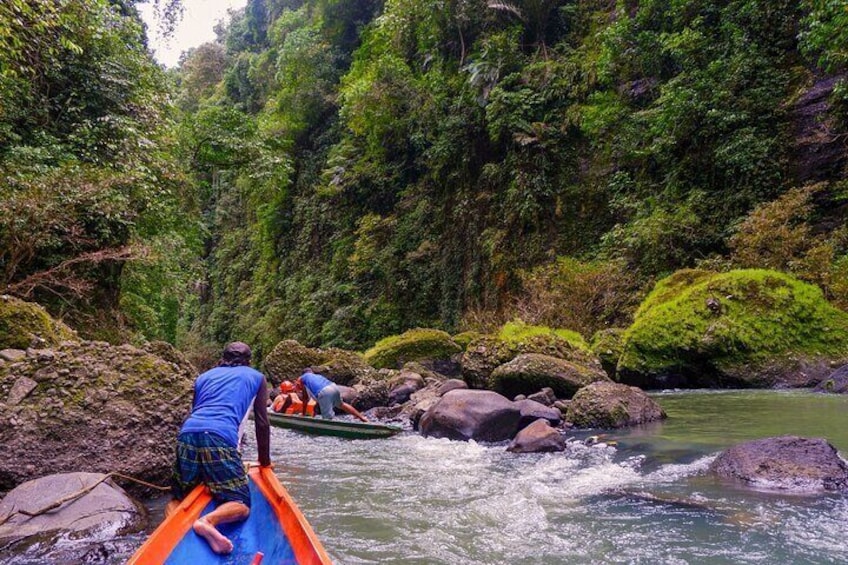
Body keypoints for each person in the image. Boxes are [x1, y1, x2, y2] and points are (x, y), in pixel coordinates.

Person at [166, 342, 271, 555]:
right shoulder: (256, 377)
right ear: (248, 361)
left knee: (177, 497)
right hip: (220, 437)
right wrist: (265, 462)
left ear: (221, 359)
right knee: (240, 503)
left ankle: (172, 532)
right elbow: (262, 423)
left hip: (188, 434)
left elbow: (197, 410)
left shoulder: (203, 377)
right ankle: (207, 521)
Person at [295, 368, 368, 422]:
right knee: (341, 404)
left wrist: (303, 414)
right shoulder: (317, 376)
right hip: (334, 387)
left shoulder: (302, 378)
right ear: (311, 372)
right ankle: (362, 418)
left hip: (324, 391)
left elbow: (305, 398)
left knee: (327, 419)